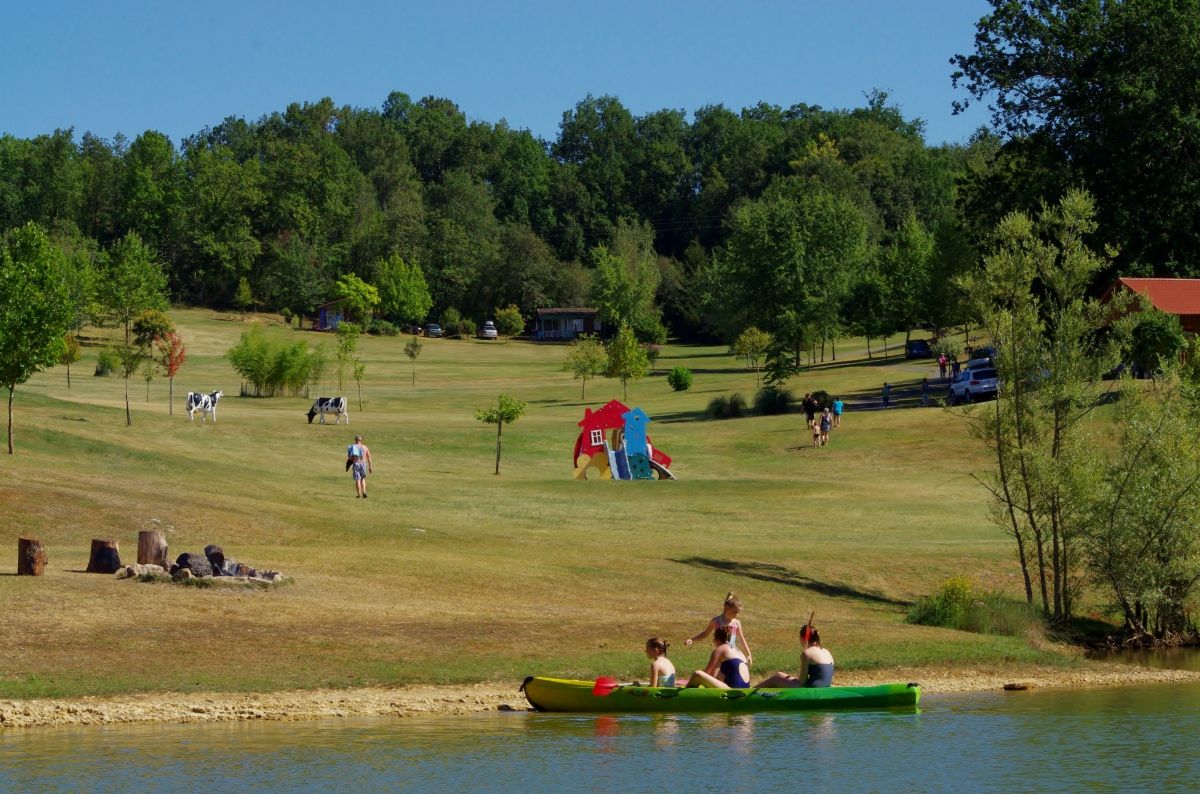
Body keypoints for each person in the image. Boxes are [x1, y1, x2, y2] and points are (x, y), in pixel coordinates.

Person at [685, 592, 753, 666]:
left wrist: (749, 654)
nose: (737, 615)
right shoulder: (716, 621)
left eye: (738, 613)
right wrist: (692, 639)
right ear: (727, 608)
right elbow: (705, 633)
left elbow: (741, 639)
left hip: (732, 654)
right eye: (735, 612)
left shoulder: (736, 623)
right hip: (720, 655)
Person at [756, 625, 836, 688]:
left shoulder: (807, 653)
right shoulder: (826, 651)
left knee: (775, 680)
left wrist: (803, 658)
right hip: (823, 686)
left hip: (811, 689)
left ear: (802, 638)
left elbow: (802, 682)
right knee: (779, 674)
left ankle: (749, 694)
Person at [682, 626, 750, 689]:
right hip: (745, 689)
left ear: (716, 640)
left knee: (697, 674)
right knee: (720, 673)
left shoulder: (720, 649)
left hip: (733, 690)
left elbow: (707, 673)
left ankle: (684, 695)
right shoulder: (739, 651)